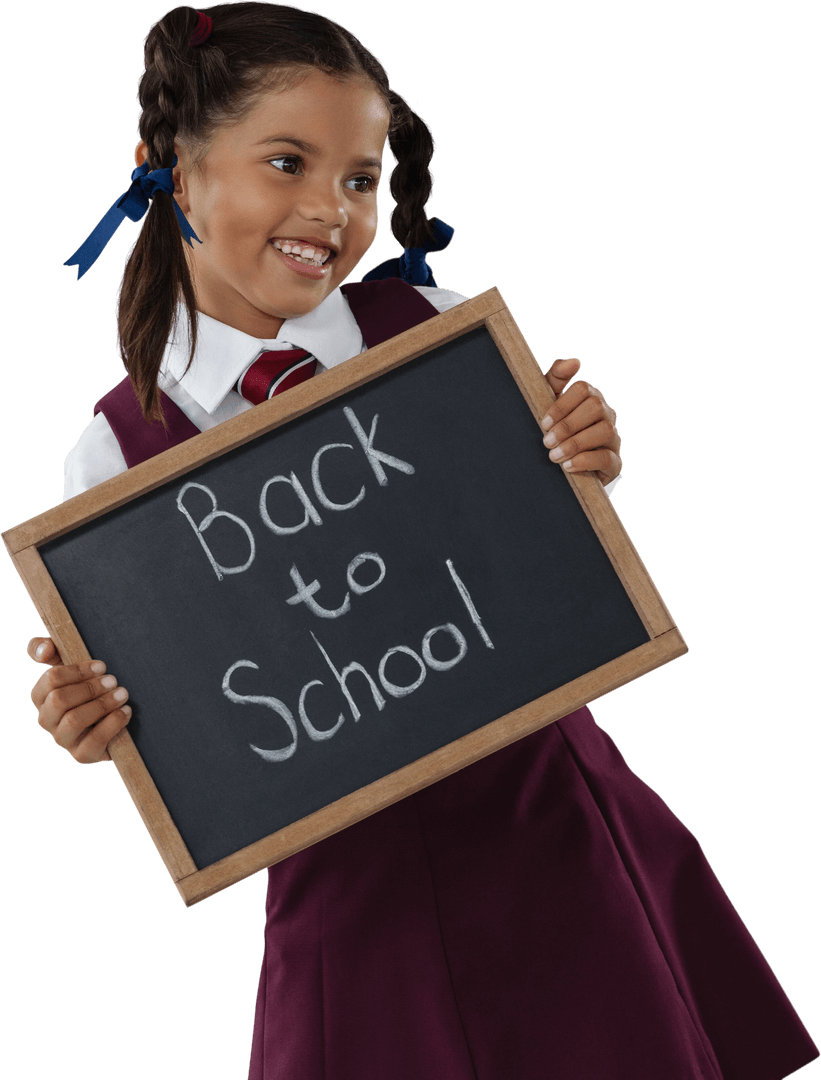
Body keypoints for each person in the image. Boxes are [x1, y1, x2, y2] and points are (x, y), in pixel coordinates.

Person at [25, 4, 820, 1079]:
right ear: (167, 165)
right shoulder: (112, 459)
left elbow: (547, 563)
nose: (329, 210)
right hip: (346, 894)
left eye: (359, 177)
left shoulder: (442, 336)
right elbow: (159, 717)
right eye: (286, 161)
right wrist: (97, 724)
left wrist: (586, 458)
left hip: (552, 826)